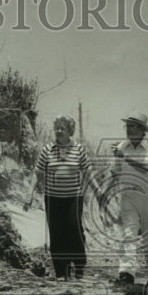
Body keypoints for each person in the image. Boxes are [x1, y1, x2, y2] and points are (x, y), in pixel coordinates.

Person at [24, 115, 93, 281]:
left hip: (73, 198)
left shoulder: (78, 149)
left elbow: (88, 170)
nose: (59, 131)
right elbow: (37, 173)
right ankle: (62, 271)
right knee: (56, 233)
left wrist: (89, 190)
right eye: (57, 128)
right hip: (52, 198)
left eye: (63, 128)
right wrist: (29, 194)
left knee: (74, 230)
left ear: (70, 130)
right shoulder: (48, 149)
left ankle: (79, 266)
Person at [110, 111, 148, 285]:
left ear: (142, 129)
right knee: (128, 234)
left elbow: (147, 167)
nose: (129, 130)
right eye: (127, 126)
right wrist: (115, 188)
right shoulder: (122, 146)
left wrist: (125, 158)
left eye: (133, 126)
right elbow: (114, 170)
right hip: (128, 196)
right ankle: (126, 272)